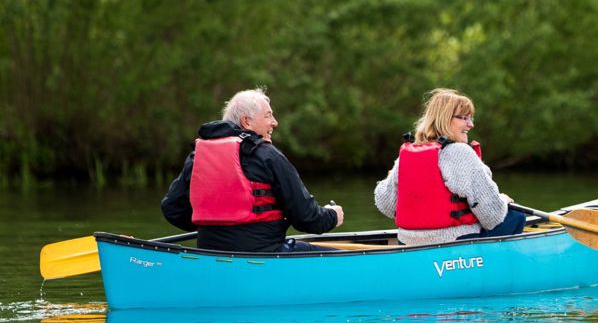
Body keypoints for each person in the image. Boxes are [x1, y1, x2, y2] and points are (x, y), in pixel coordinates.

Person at [161, 88, 345, 252]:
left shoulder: (198, 157)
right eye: (268, 115)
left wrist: (214, 228)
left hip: (210, 252)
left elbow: (172, 209)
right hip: (264, 252)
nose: (275, 122)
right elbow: (307, 218)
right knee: (338, 257)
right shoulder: (267, 155)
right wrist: (332, 215)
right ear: (246, 122)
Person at [374, 88, 525, 246]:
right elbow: (492, 215)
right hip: (452, 243)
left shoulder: (408, 153)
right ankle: (492, 267)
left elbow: (386, 205)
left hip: (406, 242)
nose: (471, 124)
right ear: (445, 119)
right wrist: (502, 200)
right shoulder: (459, 152)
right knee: (516, 214)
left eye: (471, 118)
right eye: (464, 118)